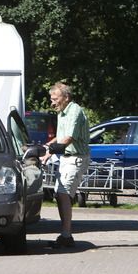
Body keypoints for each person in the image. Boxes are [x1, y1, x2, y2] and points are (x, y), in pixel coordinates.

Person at [42, 81, 90, 248]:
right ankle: (65, 234)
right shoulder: (61, 112)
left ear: (66, 97)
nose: (52, 102)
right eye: (51, 98)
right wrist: (46, 150)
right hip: (66, 158)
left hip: (76, 157)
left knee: (63, 194)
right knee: (59, 194)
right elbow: (60, 136)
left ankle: (66, 236)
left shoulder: (74, 111)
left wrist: (53, 150)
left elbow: (68, 137)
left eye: (55, 98)